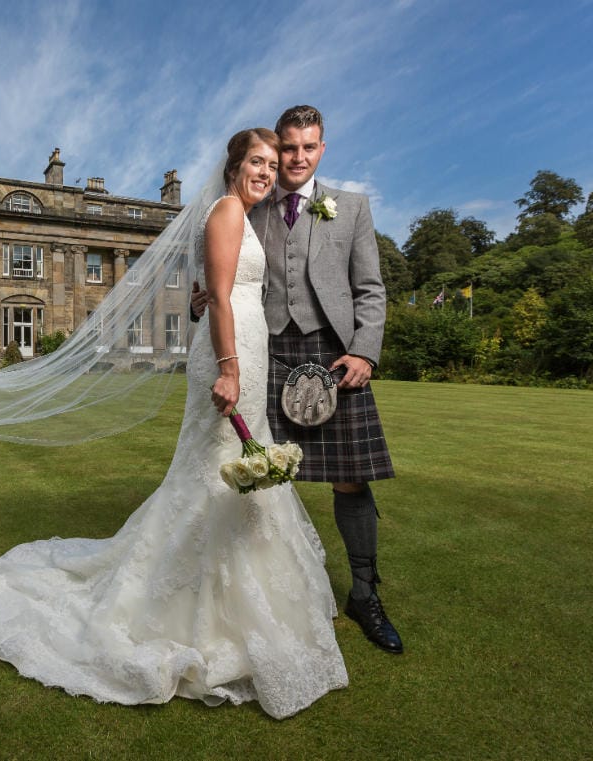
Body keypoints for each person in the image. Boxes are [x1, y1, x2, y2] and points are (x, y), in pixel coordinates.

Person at [0, 128, 348, 720]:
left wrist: (223, 331)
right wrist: (227, 367)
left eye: (273, 164)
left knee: (228, 468)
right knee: (213, 470)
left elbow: (214, 293)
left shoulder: (244, 215)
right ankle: (196, 606)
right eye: (257, 162)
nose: (267, 172)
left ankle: (246, 600)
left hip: (248, 349)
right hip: (230, 356)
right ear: (234, 165)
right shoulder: (224, 211)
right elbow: (219, 297)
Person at [192, 106, 403, 654]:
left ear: (322, 149)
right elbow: (226, 274)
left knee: (351, 478)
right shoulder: (252, 202)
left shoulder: (350, 207)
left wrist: (365, 352)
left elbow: (371, 289)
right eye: (288, 148)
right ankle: (250, 597)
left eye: (309, 148)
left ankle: (365, 594)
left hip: (335, 357)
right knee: (254, 477)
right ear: (277, 148)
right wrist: (205, 299)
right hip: (266, 349)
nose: (297, 158)